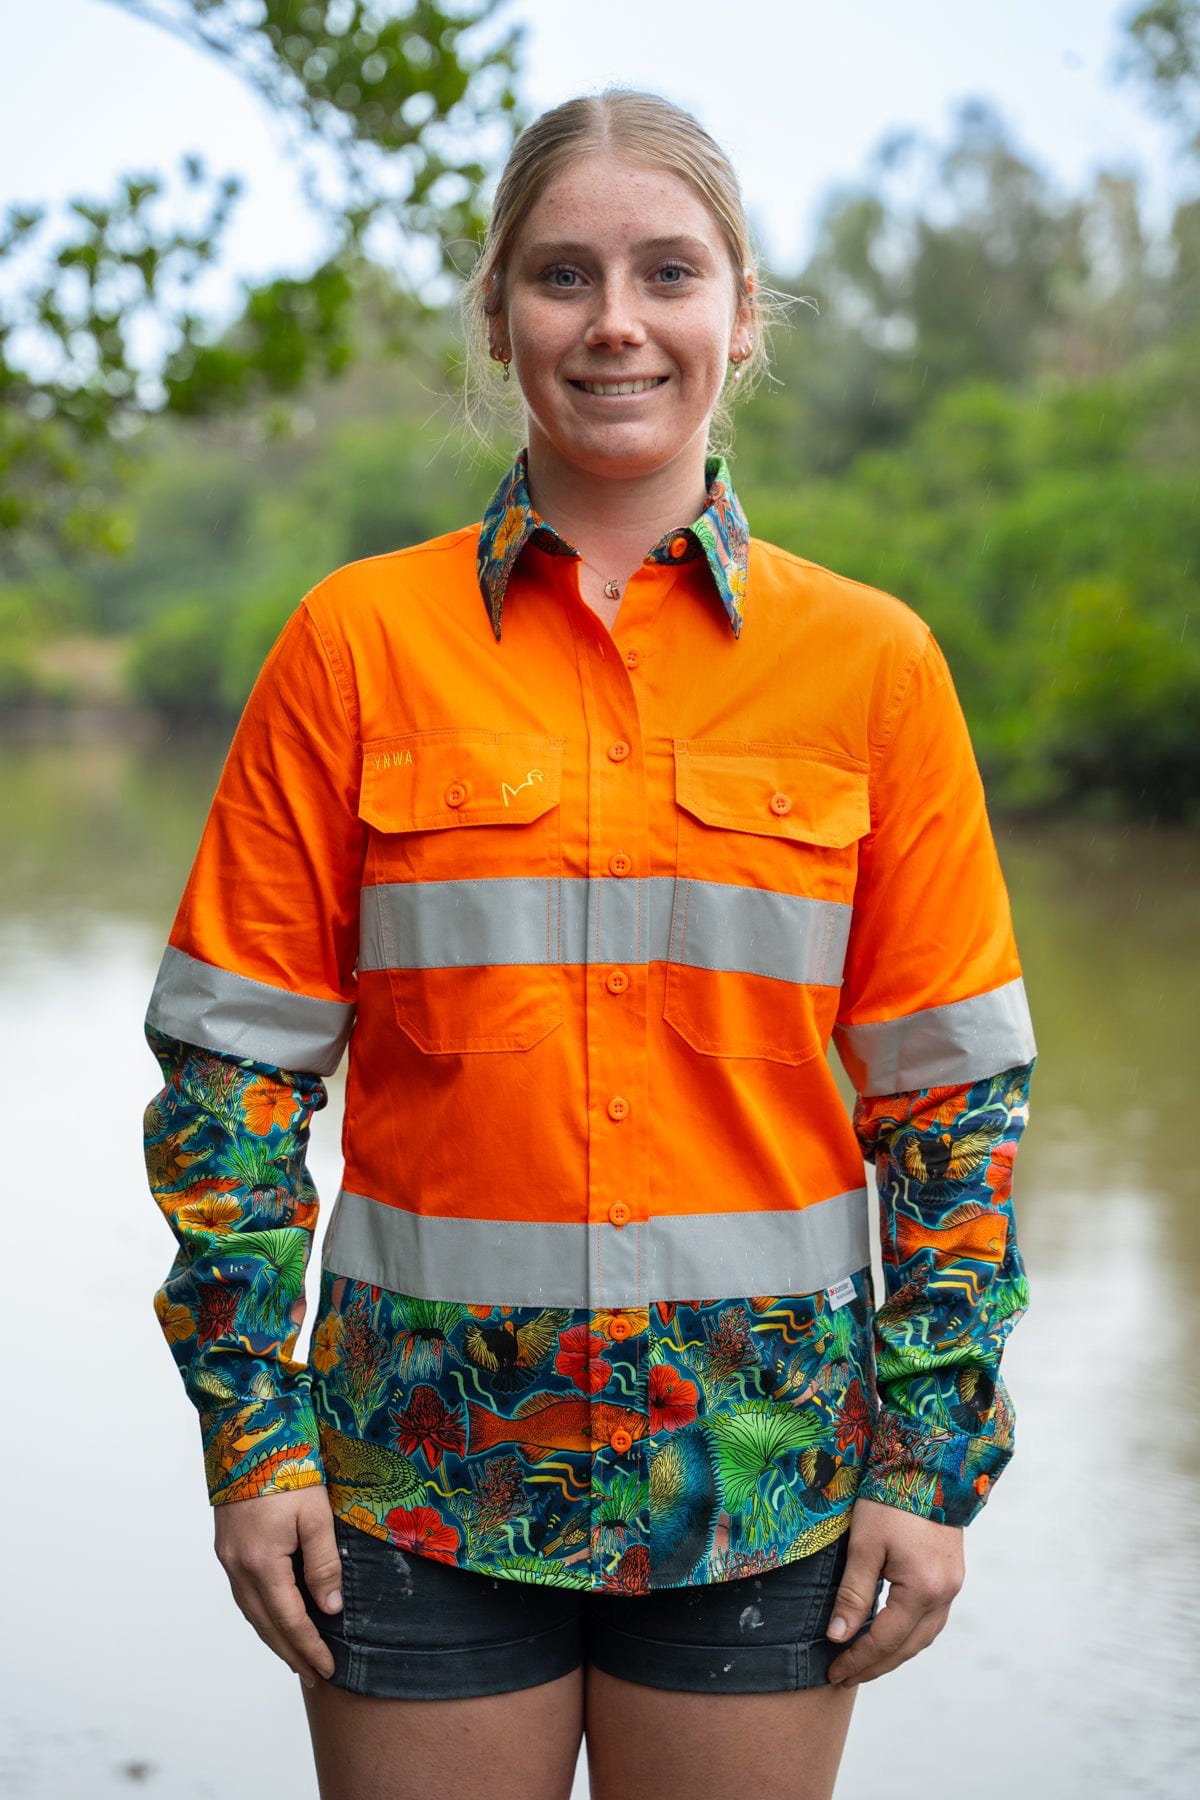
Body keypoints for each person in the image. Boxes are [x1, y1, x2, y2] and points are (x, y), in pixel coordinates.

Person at [143, 90, 1035, 1800]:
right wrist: (254, 1445)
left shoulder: (876, 669)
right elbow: (229, 1095)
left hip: (768, 1482)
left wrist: (931, 1466)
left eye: (667, 271)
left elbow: (955, 1120)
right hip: (413, 1477)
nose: (616, 321)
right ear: (499, 316)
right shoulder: (353, 645)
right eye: (563, 274)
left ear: (739, 313)